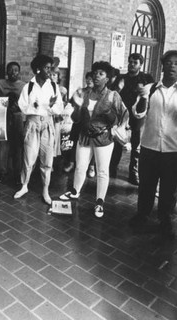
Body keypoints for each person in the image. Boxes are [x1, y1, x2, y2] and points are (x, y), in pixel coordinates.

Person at [128, 50, 177, 238]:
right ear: (162, 65)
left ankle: (165, 218)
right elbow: (138, 114)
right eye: (168, 62)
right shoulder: (151, 88)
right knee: (146, 184)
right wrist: (143, 98)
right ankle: (142, 214)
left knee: (170, 187)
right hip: (150, 145)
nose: (172, 66)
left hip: (175, 148)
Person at [59, 61, 128, 218]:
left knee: (102, 171)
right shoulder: (83, 93)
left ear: (108, 78)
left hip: (103, 137)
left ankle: (99, 201)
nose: (97, 75)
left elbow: (122, 117)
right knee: (80, 167)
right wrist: (76, 107)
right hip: (84, 136)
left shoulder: (113, 95)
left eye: (101, 74)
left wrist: (110, 116)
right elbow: (76, 119)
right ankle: (75, 191)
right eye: (96, 72)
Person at [13, 55, 63, 205]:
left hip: (47, 125)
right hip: (32, 124)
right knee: (29, 158)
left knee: (47, 160)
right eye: (47, 68)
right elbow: (22, 105)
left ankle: (45, 190)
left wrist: (50, 106)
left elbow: (59, 107)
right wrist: (33, 107)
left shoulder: (53, 86)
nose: (50, 71)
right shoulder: (28, 87)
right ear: (38, 69)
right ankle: (24, 186)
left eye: (51, 68)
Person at [109, 53, 154, 185]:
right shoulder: (121, 78)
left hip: (138, 115)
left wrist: (146, 89)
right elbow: (112, 94)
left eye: (135, 62)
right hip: (122, 113)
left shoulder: (146, 78)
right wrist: (119, 87)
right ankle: (112, 167)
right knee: (117, 140)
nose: (132, 65)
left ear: (141, 64)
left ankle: (133, 172)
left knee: (136, 144)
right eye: (130, 62)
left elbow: (154, 91)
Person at [0, 61, 26, 183]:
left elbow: (26, 103)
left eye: (16, 70)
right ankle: (2, 172)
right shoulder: (0, 84)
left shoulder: (23, 86)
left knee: (18, 146)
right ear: (7, 72)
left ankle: (17, 173)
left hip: (18, 117)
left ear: (19, 72)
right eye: (10, 70)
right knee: (3, 146)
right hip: (3, 116)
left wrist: (18, 108)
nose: (13, 73)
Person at [64, 72, 93, 173]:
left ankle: (91, 166)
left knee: (92, 143)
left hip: (91, 122)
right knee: (75, 142)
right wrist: (77, 97)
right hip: (79, 120)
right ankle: (72, 162)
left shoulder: (96, 93)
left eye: (91, 79)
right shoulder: (81, 91)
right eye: (87, 78)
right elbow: (72, 103)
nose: (89, 81)